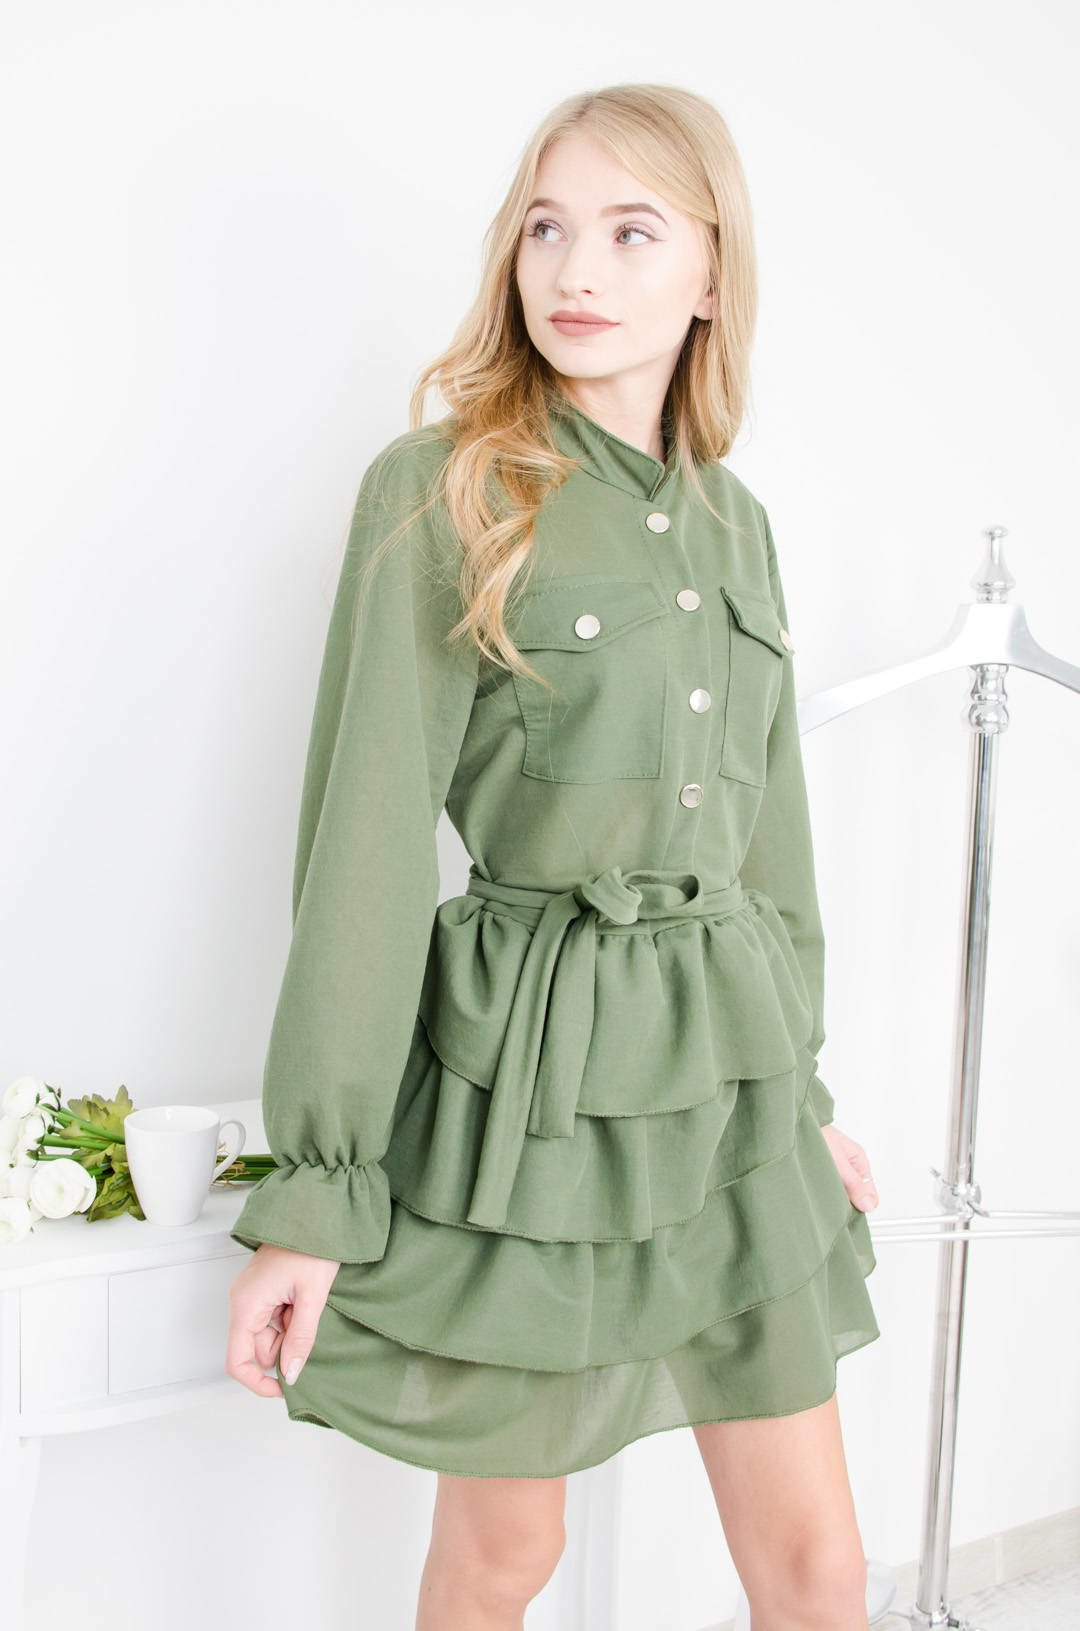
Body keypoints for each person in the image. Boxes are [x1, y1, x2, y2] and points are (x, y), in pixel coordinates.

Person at [225, 81, 882, 1631]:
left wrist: (804, 1097)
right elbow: (365, 847)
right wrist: (315, 1189)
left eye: (631, 232)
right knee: (506, 1557)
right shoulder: (445, 486)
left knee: (817, 1569)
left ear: (711, 273)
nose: (575, 271)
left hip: (730, 1094)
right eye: (546, 228)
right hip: (531, 1092)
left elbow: (770, 844)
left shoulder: (737, 525)